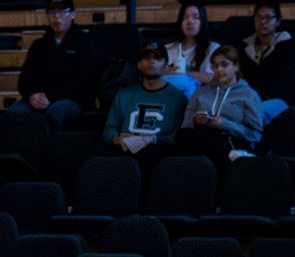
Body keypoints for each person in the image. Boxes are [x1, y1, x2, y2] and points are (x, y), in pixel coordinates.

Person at [8, 0, 98, 130]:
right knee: (13, 114)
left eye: (62, 12)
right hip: (38, 99)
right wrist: (32, 95)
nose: (56, 17)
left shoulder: (86, 43)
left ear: (72, 14)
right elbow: (24, 80)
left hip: (73, 100)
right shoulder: (38, 45)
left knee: (54, 113)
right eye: (52, 12)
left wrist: (50, 96)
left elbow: (86, 84)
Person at [103, 40, 188, 172]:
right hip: (124, 152)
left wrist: (152, 139)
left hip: (159, 155)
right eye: (146, 57)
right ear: (139, 64)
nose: (151, 61)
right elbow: (109, 129)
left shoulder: (178, 98)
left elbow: (178, 136)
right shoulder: (124, 95)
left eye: (157, 57)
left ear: (166, 65)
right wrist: (116, 138)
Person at [175, 45, 263, 166]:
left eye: (224, 65)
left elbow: (255, 135)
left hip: (231, 140)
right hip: (202, 139)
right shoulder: (201, 92)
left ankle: (231, 154)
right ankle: (228, 154)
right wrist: (196, 121)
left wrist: (223, 123)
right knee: (183, 136)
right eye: (215, 66)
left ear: (236, 66)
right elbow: (186, 126)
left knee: (212, 141)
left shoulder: (248, 95)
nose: (219, 69)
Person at [242, 3, 295, 124]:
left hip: (279, 99)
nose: (263, 21)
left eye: (268, 17)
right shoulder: (245, 48)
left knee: (254, 114)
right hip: (251, 99)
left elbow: (286, 81)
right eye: (259, 17)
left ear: (278, 21)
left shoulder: (288, 47)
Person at [164, 4, 218, 95]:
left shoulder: (212, 48)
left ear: (202, 21)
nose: (190, 21)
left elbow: (214, 78)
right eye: (185, 17)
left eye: (196, 17)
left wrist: (184, 72)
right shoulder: (168, 48)